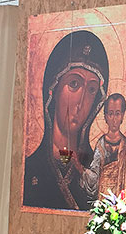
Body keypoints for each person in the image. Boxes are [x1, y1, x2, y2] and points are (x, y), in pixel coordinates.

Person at [23, 30, 108, 211]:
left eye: (91, 90)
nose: (81, 102)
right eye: (74, 84)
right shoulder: (30, 168)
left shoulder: (96, 171)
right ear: (53, 90)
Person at [82, 92, 126, 200]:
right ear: (105, 117)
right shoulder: (101, 144)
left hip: (119, 202)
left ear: (122, 116)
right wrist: (80, 169)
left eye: (117, 114)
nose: (114, 119)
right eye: (110, 114)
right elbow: (94, 176)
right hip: (102, 199)